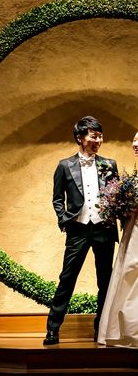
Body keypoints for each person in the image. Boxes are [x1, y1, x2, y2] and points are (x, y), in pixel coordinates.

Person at [43, 116, 118, 345]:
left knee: (105, 281)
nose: (98, 141)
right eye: (94, 136)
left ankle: (101, 328)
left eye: (100, 136)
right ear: (80, 138)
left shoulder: (109, 164)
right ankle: (53, 329)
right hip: (78, 230)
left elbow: (116, 195)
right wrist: (64, 219)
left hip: (103, 229)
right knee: (67, 279)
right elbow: (57, 198)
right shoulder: (65, 166)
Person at [97, 132, 138, 347]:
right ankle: (122, 330)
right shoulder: (134, 177)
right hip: (134, 229)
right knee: (128, 271)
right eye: (134, 140)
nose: (135, 144)